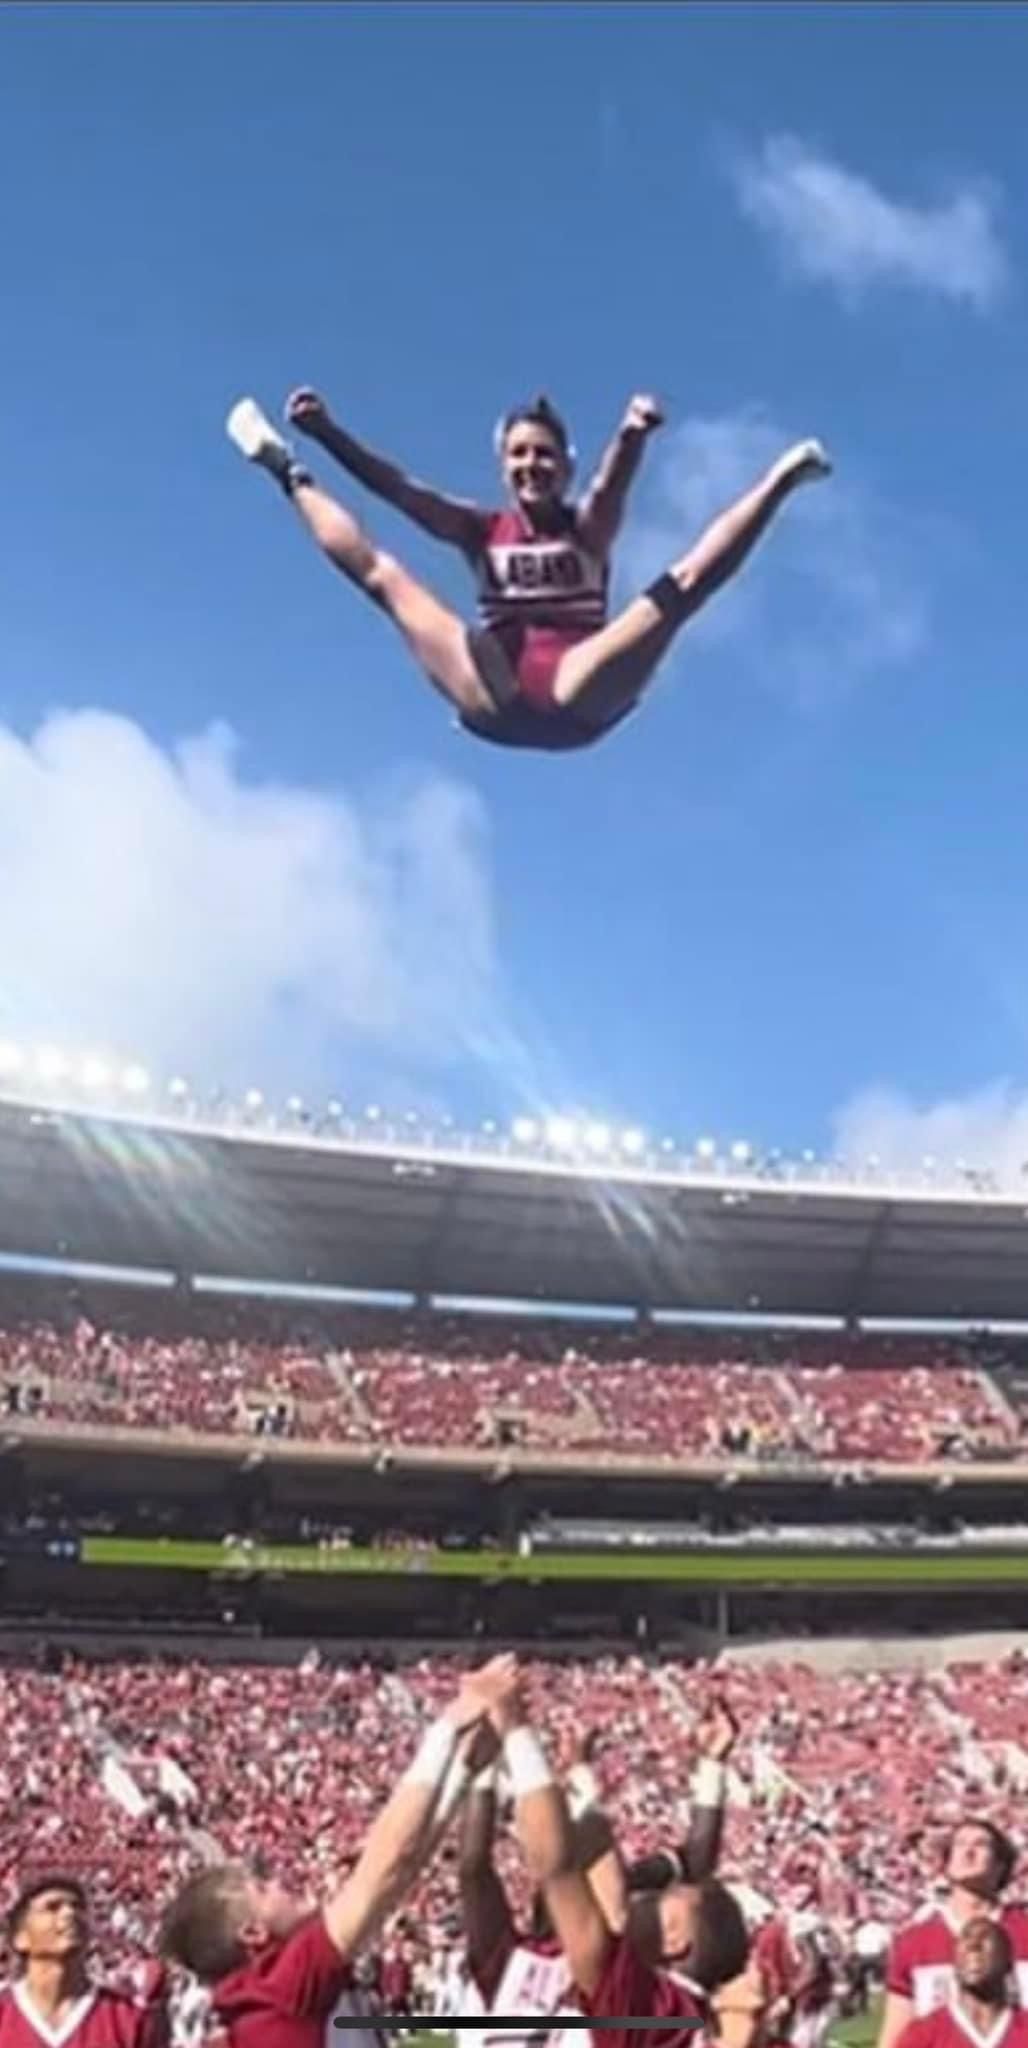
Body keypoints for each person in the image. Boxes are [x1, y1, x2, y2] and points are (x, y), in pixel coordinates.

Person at [226, 386, 830, 754]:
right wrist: (328, 435)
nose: (530, 464)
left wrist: (631, 435)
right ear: (503, 465)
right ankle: (285, 469)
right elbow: (398, 490)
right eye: (519, 453)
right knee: (382, 577)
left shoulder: (587, 528)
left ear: (563, 467)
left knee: (682, 588)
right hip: (493, 689)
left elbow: (611, 486)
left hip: (578, 691)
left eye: (543, 454)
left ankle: (779, 483)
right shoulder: (480, 530)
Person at [157, 1656, 514, 2048]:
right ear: (253, 1933)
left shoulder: (266, 1992)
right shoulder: (282, 1984)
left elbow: (400, 1874)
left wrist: (465, 1771)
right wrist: (449, 1724)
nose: (279, 1881)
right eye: (261, 1887)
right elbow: (388, 1865)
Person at [484, 1662, 749, 2048]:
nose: (644, 1894)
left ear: (674, 1940)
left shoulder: (648, 2005)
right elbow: (694, 1864)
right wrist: (712, 1765)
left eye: (662, 1899)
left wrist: (517, 1732)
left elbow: (559, 1871)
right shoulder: (669, 2010)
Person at [879, 1822, 1028, 2048]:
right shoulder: (914, 1941)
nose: (968, 1852)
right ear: (947, 1864)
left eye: (980, 1844)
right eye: (960, 1845)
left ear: (1000, 1864)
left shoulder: (1023, 1930)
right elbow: (894, 2034)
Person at [0, 1874, 168, 2048]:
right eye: (52, 1907)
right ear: (20, 1938)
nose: (69, 1913)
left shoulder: (131, 2019)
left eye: (78, 1907)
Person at [894, 1920, 1028, 2048]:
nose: (973, 1944)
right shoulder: (923, 2035)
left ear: (1008, 1965)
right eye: (966, 1938)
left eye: (985, 1937)